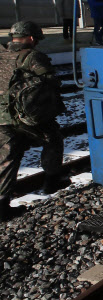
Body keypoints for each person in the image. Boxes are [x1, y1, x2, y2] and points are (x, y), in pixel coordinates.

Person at [0, 21, 67, 221]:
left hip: (2, 118)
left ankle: (2, 206)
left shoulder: (1, 54)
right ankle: (52, 180)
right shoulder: (32, 56)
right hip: (26, 118)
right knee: (53, 138)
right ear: (30, 38)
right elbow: (51, 82)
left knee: (7, 159)